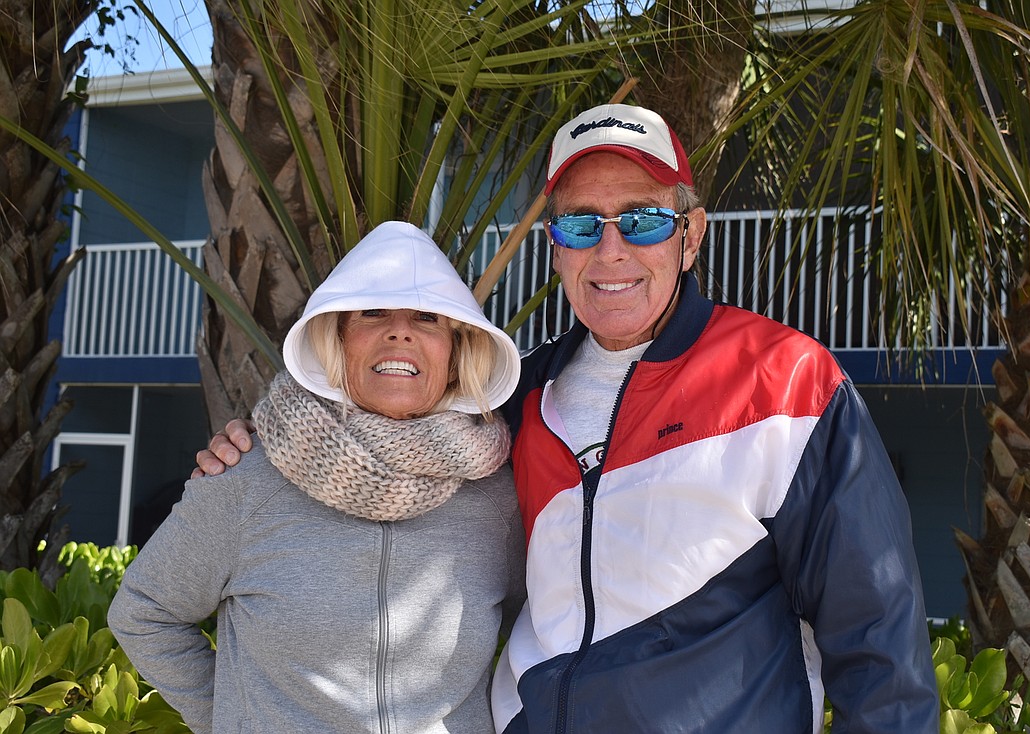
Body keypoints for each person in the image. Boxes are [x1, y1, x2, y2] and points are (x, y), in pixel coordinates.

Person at [197, 105, 940, 733]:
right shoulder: (522, 399)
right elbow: (386, 446)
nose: (610, 250)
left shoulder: (787, 381)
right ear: (555, 248)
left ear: (693, 234)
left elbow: (877, 637)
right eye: (581, 225)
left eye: (642, 220)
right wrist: (267, 444)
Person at [110, 221, 525, 734]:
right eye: (373, 313)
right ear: (338, 339)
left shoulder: (498, 495)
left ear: (456, 355)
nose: (401, 331)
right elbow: (144, 612)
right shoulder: (249, 477)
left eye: (427, 318)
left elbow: (539, 630)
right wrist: (233, 721)